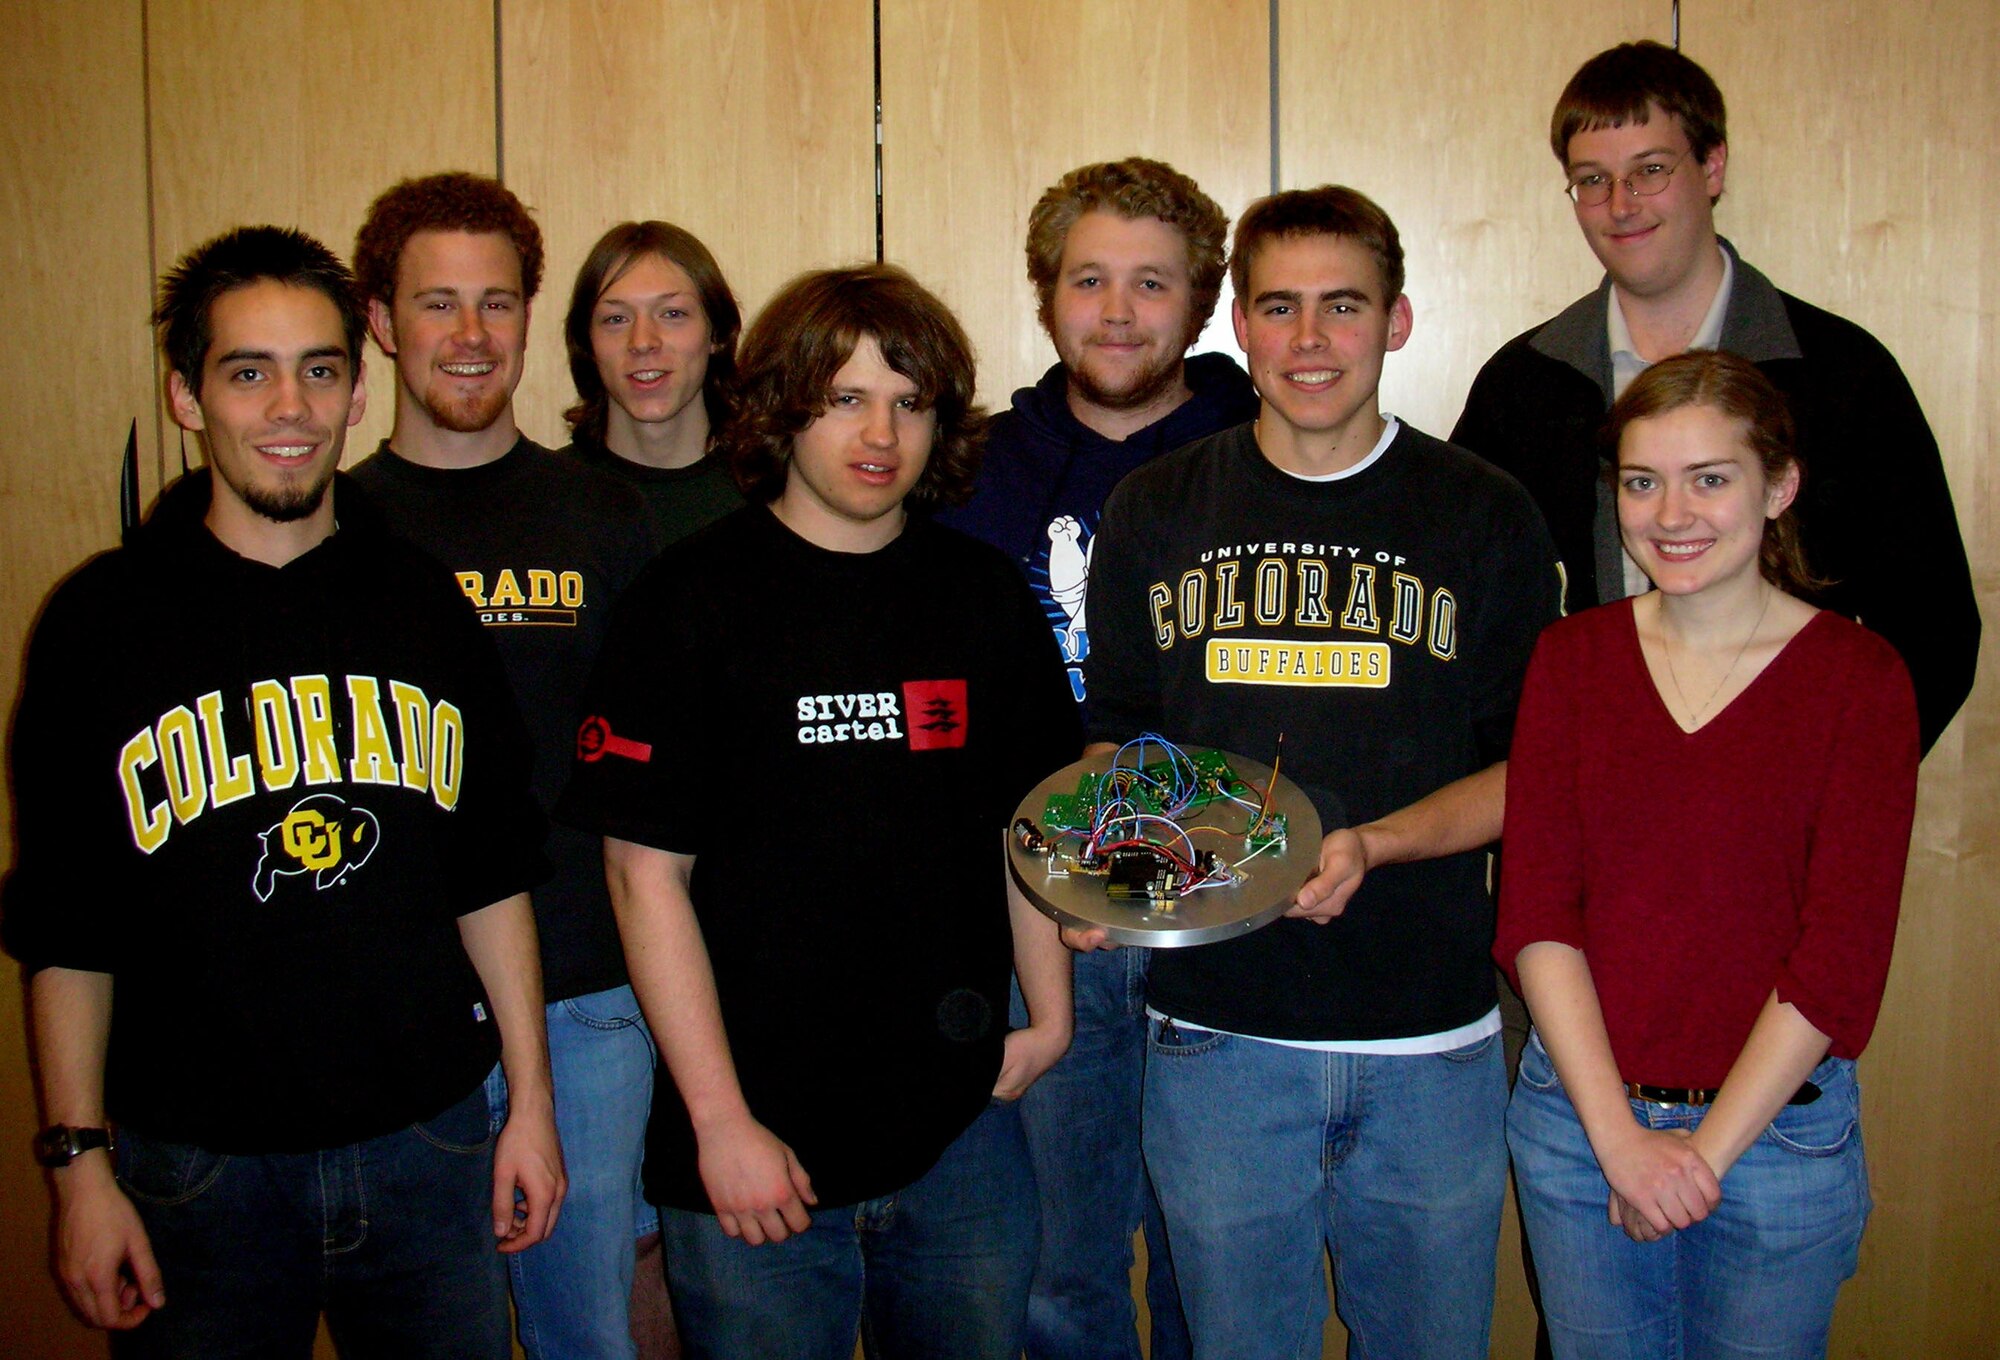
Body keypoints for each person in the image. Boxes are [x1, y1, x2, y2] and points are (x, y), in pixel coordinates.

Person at [3, 225, 561, 1357]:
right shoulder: (100, 624)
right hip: (195, 1169)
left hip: (429, 1141)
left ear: (359, 391)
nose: (289, 407)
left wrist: (532, 1108)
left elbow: (490, 874)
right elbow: (66, 925)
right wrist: (78, 1170)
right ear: (185, 394)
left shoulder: (422, 604)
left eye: (318, 369)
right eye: (247, 372)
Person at [559, 264, 1080, 1360]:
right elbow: (641, 877)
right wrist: (718, 1124)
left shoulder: (983, 598)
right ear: (783, 409)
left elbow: (1021, 826)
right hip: (756, 1143)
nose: (878, 431)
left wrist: (1050, 1012)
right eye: (844, 398)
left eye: (907, 400)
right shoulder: (687, 601)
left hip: (960, 1130)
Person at [1081, 187, 1563, 1358]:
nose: (1308, 342)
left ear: (1395, 320)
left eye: (1340, 307)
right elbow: (1117, 744)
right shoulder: (1152, 509)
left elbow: (1533, 774)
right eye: (1278, 308)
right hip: (1216, 1033)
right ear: (1235, 326)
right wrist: (1107, 866)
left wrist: (1377, 843)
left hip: (1431, 1038)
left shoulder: (1486, 513)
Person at [1496, 350, 1919, 1359]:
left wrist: (1692, 1159)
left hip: (1777, 1138)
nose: (1670, 514)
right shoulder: (1571, 660)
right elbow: (1536, 916)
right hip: (1578, 1125)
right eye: (1640, 482)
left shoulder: (1858, 679)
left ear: (1777, 487)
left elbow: (1838, 959)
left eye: (1709, 478)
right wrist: (1619, 1145)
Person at [936, 155, 1254, 1360]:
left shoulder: (1260, 450)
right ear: (1042, 292)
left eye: (1151, 283)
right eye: (1087, 280)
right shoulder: (966, 469)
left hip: (1217, 918)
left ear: (1201, 300)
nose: (1116, 312)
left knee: (1205, 1257)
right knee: (1054, 1267)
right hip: (1030, 919)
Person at [1452, 39, 1977, 755]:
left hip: (1779, 814)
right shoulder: (1522, 385)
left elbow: (1932, 626)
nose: (1621, 205)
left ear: (1714, 166)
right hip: (1581, 805)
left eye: (1652, 170)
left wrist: (1827, 788)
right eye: (1592, 180)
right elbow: (1463, 614)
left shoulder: (1843, 376)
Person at [348, 174, 664, 1360]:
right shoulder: (330, 521)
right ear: (380, 321)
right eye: (437, 302)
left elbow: (652, 778)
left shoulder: (602, 515)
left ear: (531, 317)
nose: (470, 335)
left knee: (587, 1335)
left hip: (586, 998)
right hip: (396, 1011)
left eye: (497, 302)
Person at [560, 219, 745, 544]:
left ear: (717, 332)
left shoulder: (770, 495)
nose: (643, 341)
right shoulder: (549, 499)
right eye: (616, 319)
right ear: (587, 343)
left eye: (672, 314)